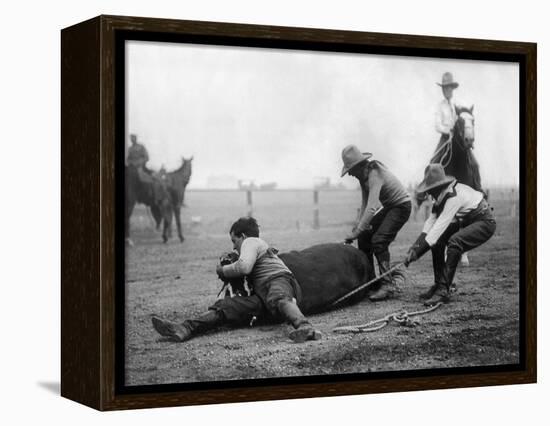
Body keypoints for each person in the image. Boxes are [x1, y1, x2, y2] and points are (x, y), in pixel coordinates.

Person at [151, 217, 322, 343]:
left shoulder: (252, 241)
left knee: (278, 297)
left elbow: (244, 267)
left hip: (278, 280)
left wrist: (223, 270)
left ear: (243, 236)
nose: (234, 246)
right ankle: (185, 328)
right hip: (264, 296)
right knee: (228, 307)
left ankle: (305, 326)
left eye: (234, 241)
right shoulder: (253, 247)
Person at [404, 164, 496, 306]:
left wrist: (418, 253)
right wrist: (414, 248)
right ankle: (438, 284)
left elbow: (438, 228)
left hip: (484, 221)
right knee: (438, 243)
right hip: (468, 221)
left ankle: (443, 290)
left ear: (439, 186)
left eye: (431, 190)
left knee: (455, 242)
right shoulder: (440, 196)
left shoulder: (453, 197)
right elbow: (429, 224)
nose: (429, 194)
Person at [340, 144, 412, 301]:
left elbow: (372, 207)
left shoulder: (374, 174)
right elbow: (365, 204)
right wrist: (357, 228)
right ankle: (371, 282)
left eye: (350, 169)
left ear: (359, 166)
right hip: (390, 207)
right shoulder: (363, 177)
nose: (350, 174)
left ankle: (387, 284)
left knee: (379, 240)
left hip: (401, 206)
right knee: (364, 237)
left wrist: (357, 231)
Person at [432, 72, 463, 164]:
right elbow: (437, 126)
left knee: (471, 160)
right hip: (446, 138)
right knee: (434, 161)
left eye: (448, 88)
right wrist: (448, 130)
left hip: (457, 138)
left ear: (452, 88)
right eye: (444, 88)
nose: (445, 90)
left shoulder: (456, 105)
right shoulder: (440, 106)